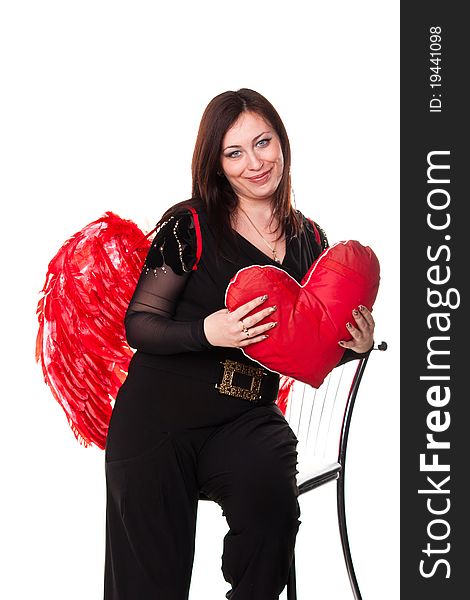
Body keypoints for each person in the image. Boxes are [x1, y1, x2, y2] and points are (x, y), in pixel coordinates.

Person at [103, 88, 375, 600]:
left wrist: (353, 346)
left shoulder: (310, 241)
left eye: (263, 143)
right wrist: (209, 330)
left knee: (271, 506)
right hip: (158, 419)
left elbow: (309, 344)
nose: (255, 163)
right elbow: (139, 323)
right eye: (235, 152)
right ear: (217, 163)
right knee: (148, 583)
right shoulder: (190, 224)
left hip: (246, 418)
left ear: (282, 143)